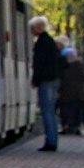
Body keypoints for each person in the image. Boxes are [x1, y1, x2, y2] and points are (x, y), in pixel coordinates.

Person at [30, 16, 62, 151]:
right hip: (53, 79)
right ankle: (52, 139)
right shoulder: (50, 42)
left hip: (46, 80)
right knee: (50, 110)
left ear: (38, 28)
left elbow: (39, 63)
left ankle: (51, 141)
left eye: (32, 28)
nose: (31, 31)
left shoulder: (42, 43)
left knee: (47, 110)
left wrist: (35, 79)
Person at [58, 45, 84, 135]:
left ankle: (65, 126)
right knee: (76, 111)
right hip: (78, 94)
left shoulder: (63, 66)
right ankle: (76, 127)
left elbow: (61, 79)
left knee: (65, 111)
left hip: (65, 94)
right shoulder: (79, 65)